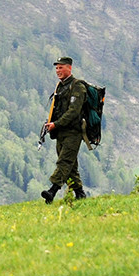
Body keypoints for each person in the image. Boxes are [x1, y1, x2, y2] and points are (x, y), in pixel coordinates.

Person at [40, 56, 89, 203]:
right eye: (56, 68)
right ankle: (80, 194)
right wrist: (50, 124)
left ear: (69, 68)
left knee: (64, 162)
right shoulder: (60, 87)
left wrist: (56, 124)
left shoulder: (78, 87)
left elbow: (73, 112)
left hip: (73, 132)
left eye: (61, 67)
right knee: (70, 166)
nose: (58, 70)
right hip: (60, 132)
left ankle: (52, 191)